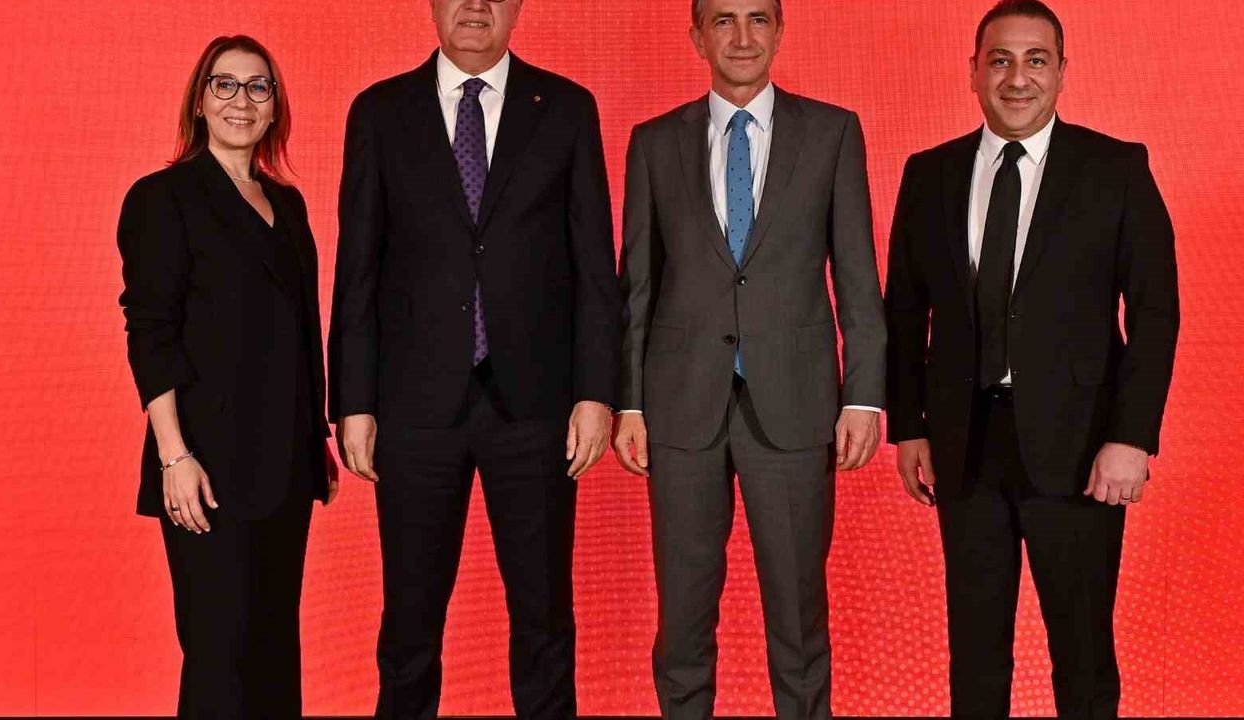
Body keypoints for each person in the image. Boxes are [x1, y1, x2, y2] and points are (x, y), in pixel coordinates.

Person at [884, 2, 1179, 717]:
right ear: (974, 72)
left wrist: (1131, 438)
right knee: (975, 657)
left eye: (1036, 60)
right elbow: (904, 312)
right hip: (964, 447)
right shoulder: (930, 174)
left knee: (1082, 655)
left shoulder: (1115, 169)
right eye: (1001, 60)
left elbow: (1155, 313)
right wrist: (909, 427)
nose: (1017, 78)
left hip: (1080, 452)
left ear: (1062, 72)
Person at [327, 0, 620, 717]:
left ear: (518, 7)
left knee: (544, 617)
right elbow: (357, 268)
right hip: (413, 407)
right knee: (409, 623)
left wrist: (596, 392)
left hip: (538, 405)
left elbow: (594, 264)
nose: (476, 5)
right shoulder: (379, 112)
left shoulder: (566, 108)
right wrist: (353, 402)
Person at [611, 1, 887, 718]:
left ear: (779, 31)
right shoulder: (654, 142)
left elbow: (857, 274)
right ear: (697, 36)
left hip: (796, 407)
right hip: (679, 409)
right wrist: (629, 403)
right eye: (724, 20)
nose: (742, 37)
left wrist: (863, 396)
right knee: (682, 619)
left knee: (798, 619)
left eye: (759, 19)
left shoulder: (832, 133)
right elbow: (636, 284)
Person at [116, 35, 337, 719]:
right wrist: (173, 456)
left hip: (286, 465)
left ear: (274, 106)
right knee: (220, 655)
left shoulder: (288, 205)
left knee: (273, 650)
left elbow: (300, 334)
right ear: (201, 101)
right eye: (225, 84)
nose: (242, 100)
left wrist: (315, 441)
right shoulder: (163, 198)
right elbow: (150, 332)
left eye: (258, 87)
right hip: (205, 464)